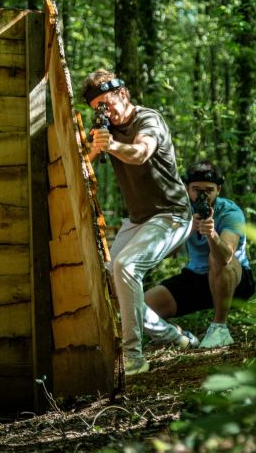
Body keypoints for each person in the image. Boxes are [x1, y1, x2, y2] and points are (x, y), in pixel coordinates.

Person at [83, 69, 197, 376]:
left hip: (172, 215)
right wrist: (92, 150)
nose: (106, 113)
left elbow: (141, 153)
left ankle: (133, 355)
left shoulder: (148, 120)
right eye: (98, 109)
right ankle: (175, 337)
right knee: (110, 280)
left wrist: (111, 146)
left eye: (107, 103)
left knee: (127, 266)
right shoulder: (106, 128)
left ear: (122, 93)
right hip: (138, 220)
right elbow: (79, 161)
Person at [145, 160, 255, 348]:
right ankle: (179, 337)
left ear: (218, 190)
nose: (202, 195)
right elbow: (167, 253)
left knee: (216, 257)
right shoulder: (180, 210)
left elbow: (226, 257)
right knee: (142, 306)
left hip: (235, 280)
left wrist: (212, 234)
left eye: (209, 190)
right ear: (187, 189)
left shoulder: (230, 212)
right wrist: (186, 230)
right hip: (197, 277)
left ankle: (219, 328)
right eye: (196, 190)